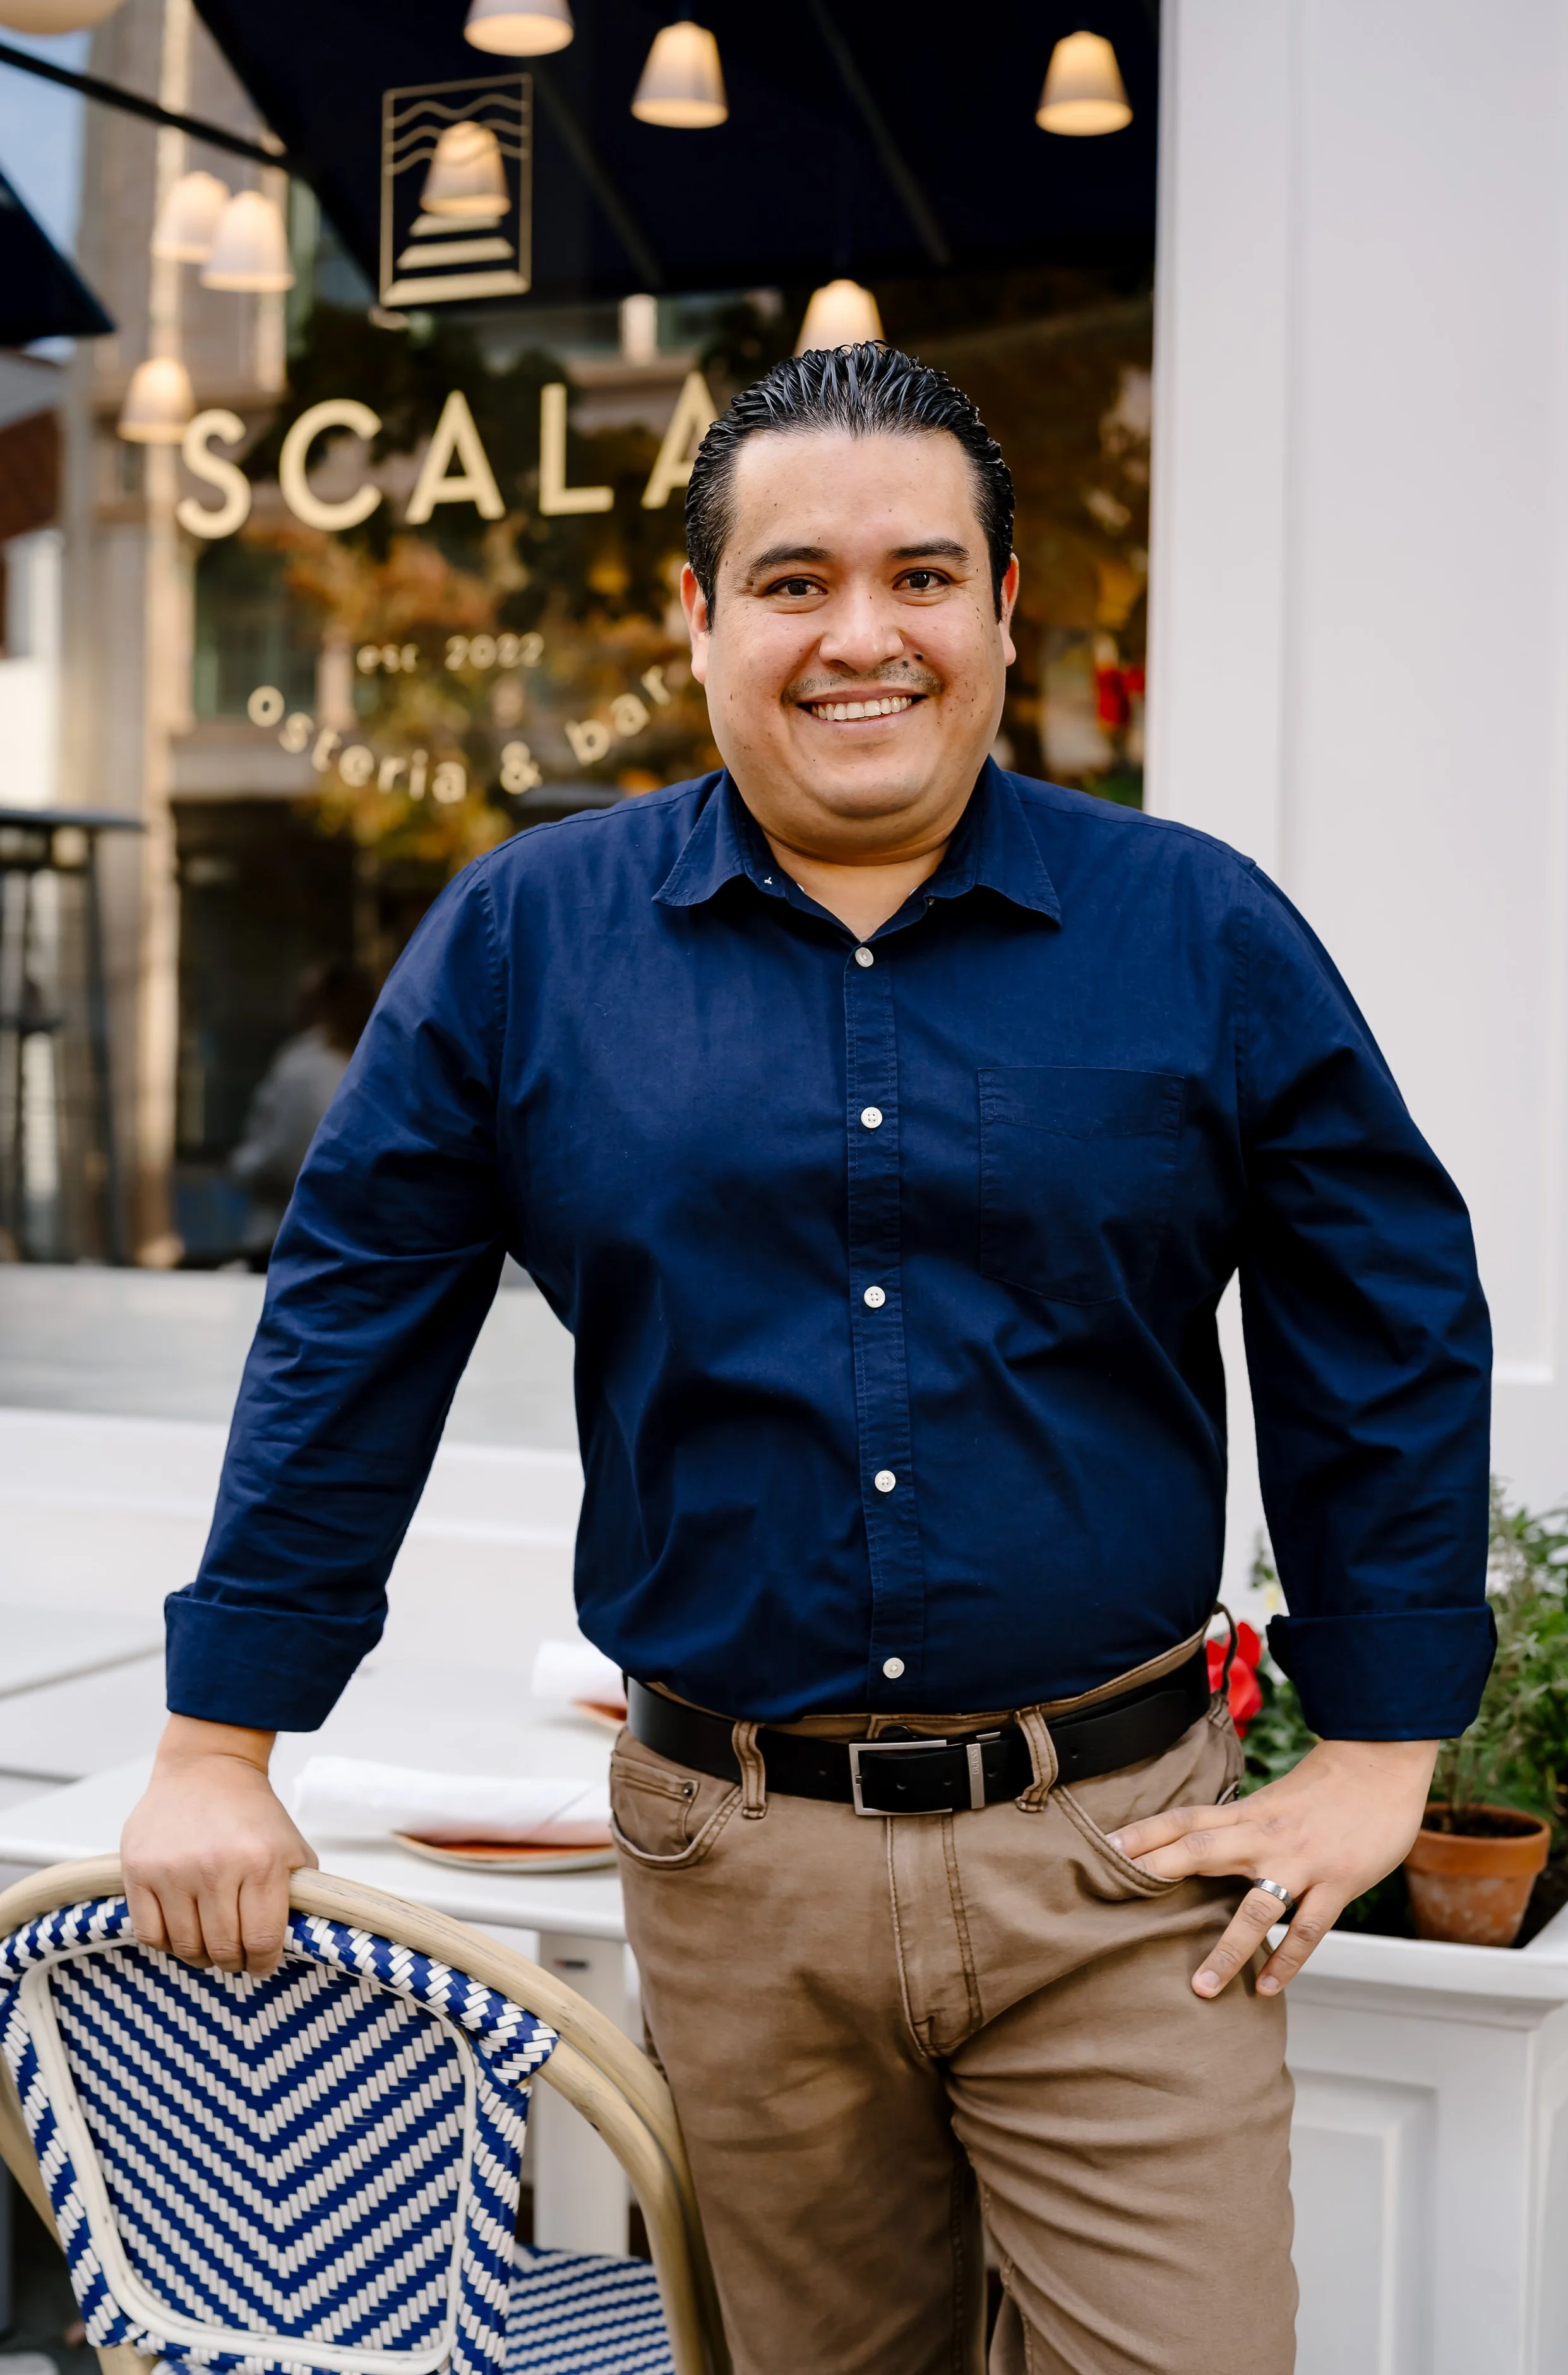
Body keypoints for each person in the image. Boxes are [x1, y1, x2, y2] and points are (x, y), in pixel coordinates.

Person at [122, 345, 1492, 2375]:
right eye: (792, 581)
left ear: (1001, 608)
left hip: (1121, 1861)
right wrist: (219, 1742)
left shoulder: (1194, 929)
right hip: (733, 1864)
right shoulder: (525, 941)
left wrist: (1380, 1749)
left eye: (919, 575)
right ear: (698, 618)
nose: (862, 635)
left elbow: (1377, 1307)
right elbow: (351, 1321)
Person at [227, 960, 374, 1267]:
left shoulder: (309, 1068)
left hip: (292, 1237)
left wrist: (240, 1166)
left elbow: (291, 1159)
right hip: (342, 1236)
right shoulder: (369, 1057)